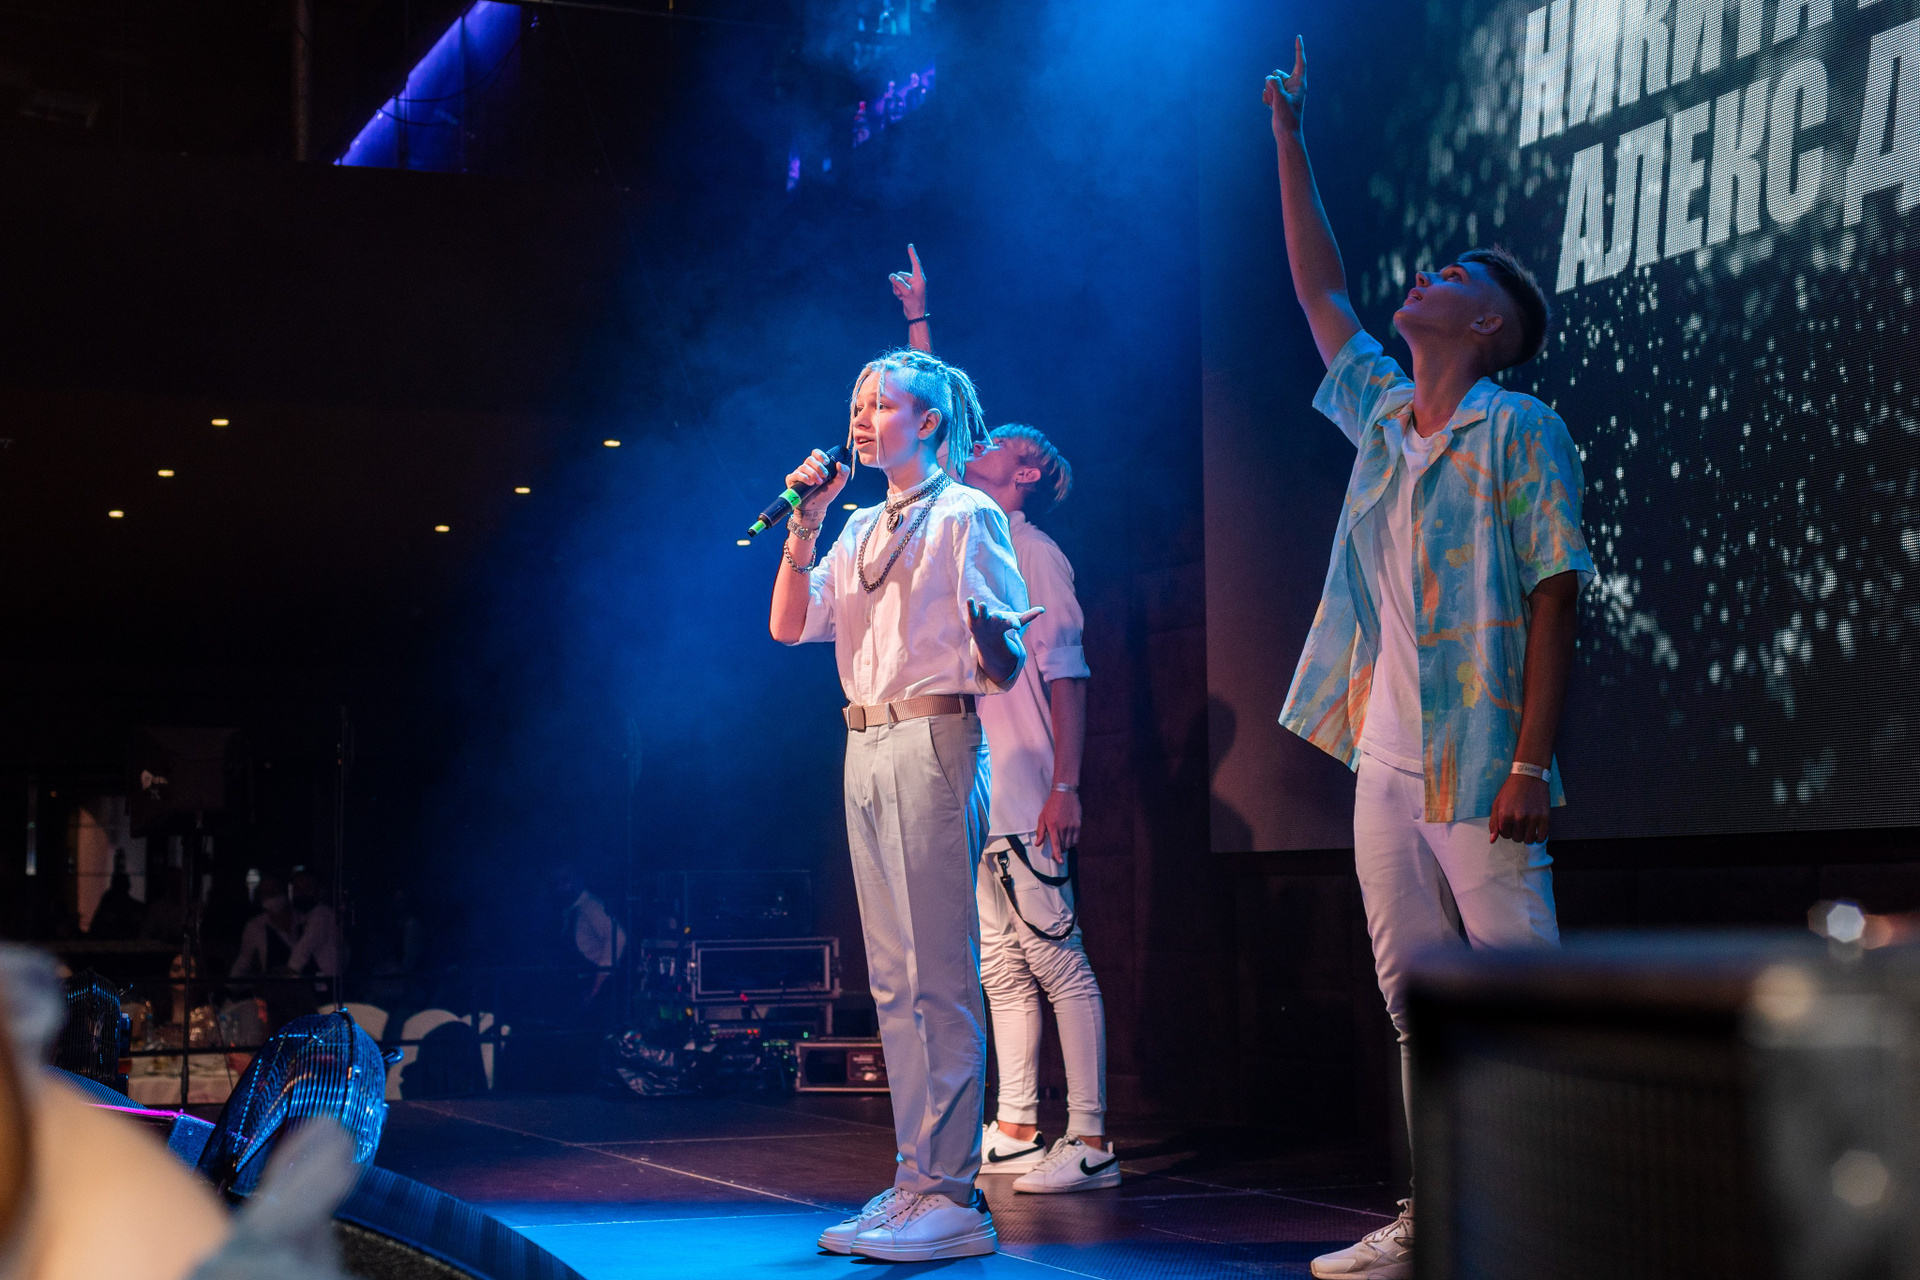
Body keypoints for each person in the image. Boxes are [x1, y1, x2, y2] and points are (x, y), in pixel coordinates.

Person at [1263, 40, 1592, 1280]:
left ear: (1487, 323)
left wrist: (1530, 762)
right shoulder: (1384, 416)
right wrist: (1289, 137)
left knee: (1523, 986)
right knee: (1415, 994)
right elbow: (1321, 292)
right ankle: (1439, 1213)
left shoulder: (1520, 429)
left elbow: (1557, 594)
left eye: (1451, 275)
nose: (1425, 276)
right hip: (1387, 757)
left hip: (1483, 755)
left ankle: (1566, 1215)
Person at [772, 348, 1038, 1262]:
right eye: (858, 402)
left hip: (933, 736)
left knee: (939, 975)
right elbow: (788, 626)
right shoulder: (852, 527)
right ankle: (915, 1176)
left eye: (882, 404)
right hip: (863, 740)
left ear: (928, 423)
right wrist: (804, 525)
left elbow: (1007, 663)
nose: (863, 416)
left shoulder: (967, 513)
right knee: (891, 978)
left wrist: (991, 636)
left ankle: (952, 1195)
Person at [892, 249, 1115, 1193]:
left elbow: (1069, 678)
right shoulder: (974, 539)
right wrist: (919, 323)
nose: (970, 451)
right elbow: (936, 430)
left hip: (1029, 788)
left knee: (1057, 957)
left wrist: (1066, 787)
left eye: (991, 449)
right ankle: (1019, 1121)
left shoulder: (1038, 554)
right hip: (981, 790)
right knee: (1002, 965)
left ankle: (1091, 1138)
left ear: (1024, 470)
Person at [229, 876, 297, 979]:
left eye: (275, 890)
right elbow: (243, 963)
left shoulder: (304, 919)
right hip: (275, 986)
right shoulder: (255, 926)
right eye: (266, 893)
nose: (272, 895)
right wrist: (230, 985)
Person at [285, 870, 341, 986]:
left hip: (327, 984)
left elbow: (304, 949)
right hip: (313, 982)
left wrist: (287, 977)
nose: (301, 893)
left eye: (307, 888)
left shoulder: (322, 914)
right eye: (297, 889)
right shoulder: (300, 916)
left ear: (318, 891)